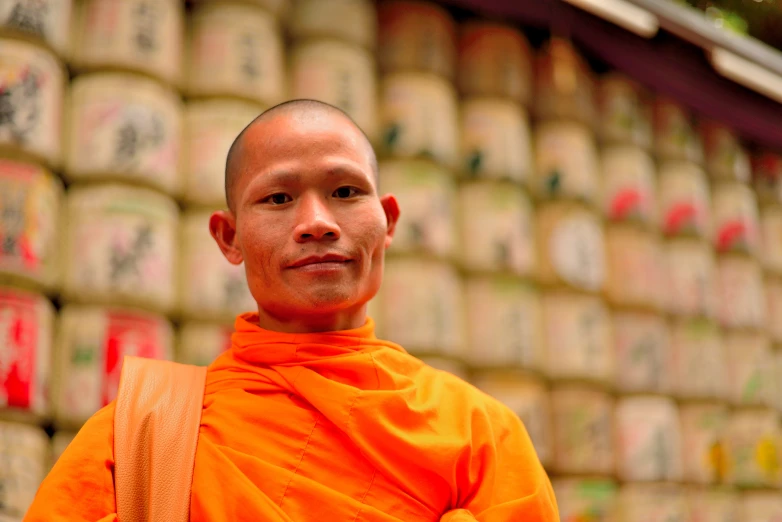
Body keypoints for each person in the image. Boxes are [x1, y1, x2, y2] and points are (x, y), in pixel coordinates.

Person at [25, 100, 558, 521]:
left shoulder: (478, 433)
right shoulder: (141, 434)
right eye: (278, 199)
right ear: (229, 237)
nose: (316, 222)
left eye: (346, 191)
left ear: (388, 221)